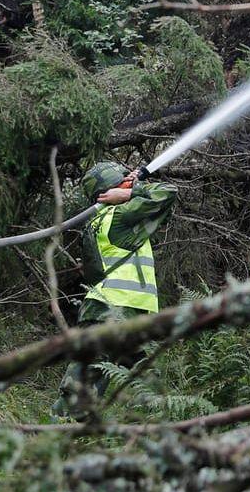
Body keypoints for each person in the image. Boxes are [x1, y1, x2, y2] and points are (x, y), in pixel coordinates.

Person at [51, 162, 176, 420]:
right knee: (80, 388)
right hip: (112, 312)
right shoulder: (118, 217)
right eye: (123, 182)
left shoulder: (102, 221)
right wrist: (132, 192)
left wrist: (131, 188)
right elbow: (167, 192)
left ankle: (154, 439)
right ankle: (51, 435)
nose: (128, 183)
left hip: (128, 312)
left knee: (153, 387)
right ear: (110, 192)